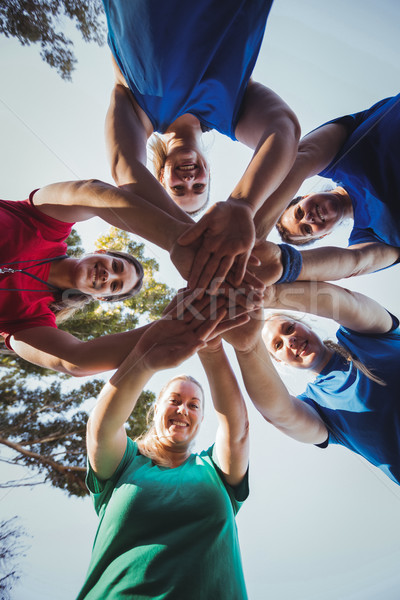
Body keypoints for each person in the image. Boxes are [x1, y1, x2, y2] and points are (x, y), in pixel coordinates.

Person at [102, 0, 300, 291]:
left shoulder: (137, 108)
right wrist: (242, 203)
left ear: (159, 178)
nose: (189, 179)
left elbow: (126, 171)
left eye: (178, 188)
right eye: (198, 187)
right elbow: (285, 129)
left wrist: (189, 238)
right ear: (209, 173)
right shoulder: (235, 111)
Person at [76, 297, 250, 599]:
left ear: (202, 418)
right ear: (156, 409)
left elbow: (237, 431)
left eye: (194, 405)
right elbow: (101, 429)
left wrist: (210, 344)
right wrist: (145, 358)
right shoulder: (126, 463)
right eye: (175, 400)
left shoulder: (214, 470)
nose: (183, 409)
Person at [0, 180, 206, 376]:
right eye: (116, 266)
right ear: (100, 251)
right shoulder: (47, 225)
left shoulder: (32, 319)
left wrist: (172, 324)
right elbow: (90, 192)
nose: (109, 275)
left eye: (115, 286)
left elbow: (76, 360)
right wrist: (176, 239)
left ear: (101, 298)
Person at [226, 281, 400, 485]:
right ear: (279, 361)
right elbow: (279, 413)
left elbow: (349, 303)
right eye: (278, 345)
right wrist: (246, 347)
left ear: (305, 325)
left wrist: (265, 294)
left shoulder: (362, 337)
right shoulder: (318, 406)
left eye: (289, 328)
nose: (290, 341)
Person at [254, 94, 400, 282]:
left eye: (299, 212)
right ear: (324, 235)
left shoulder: (333, 160)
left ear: (307, 195)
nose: (308, 218)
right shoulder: (370, 236)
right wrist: (283, 266)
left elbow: (301, 160)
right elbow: (353, 262)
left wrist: (254, 234)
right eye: (307, 229)